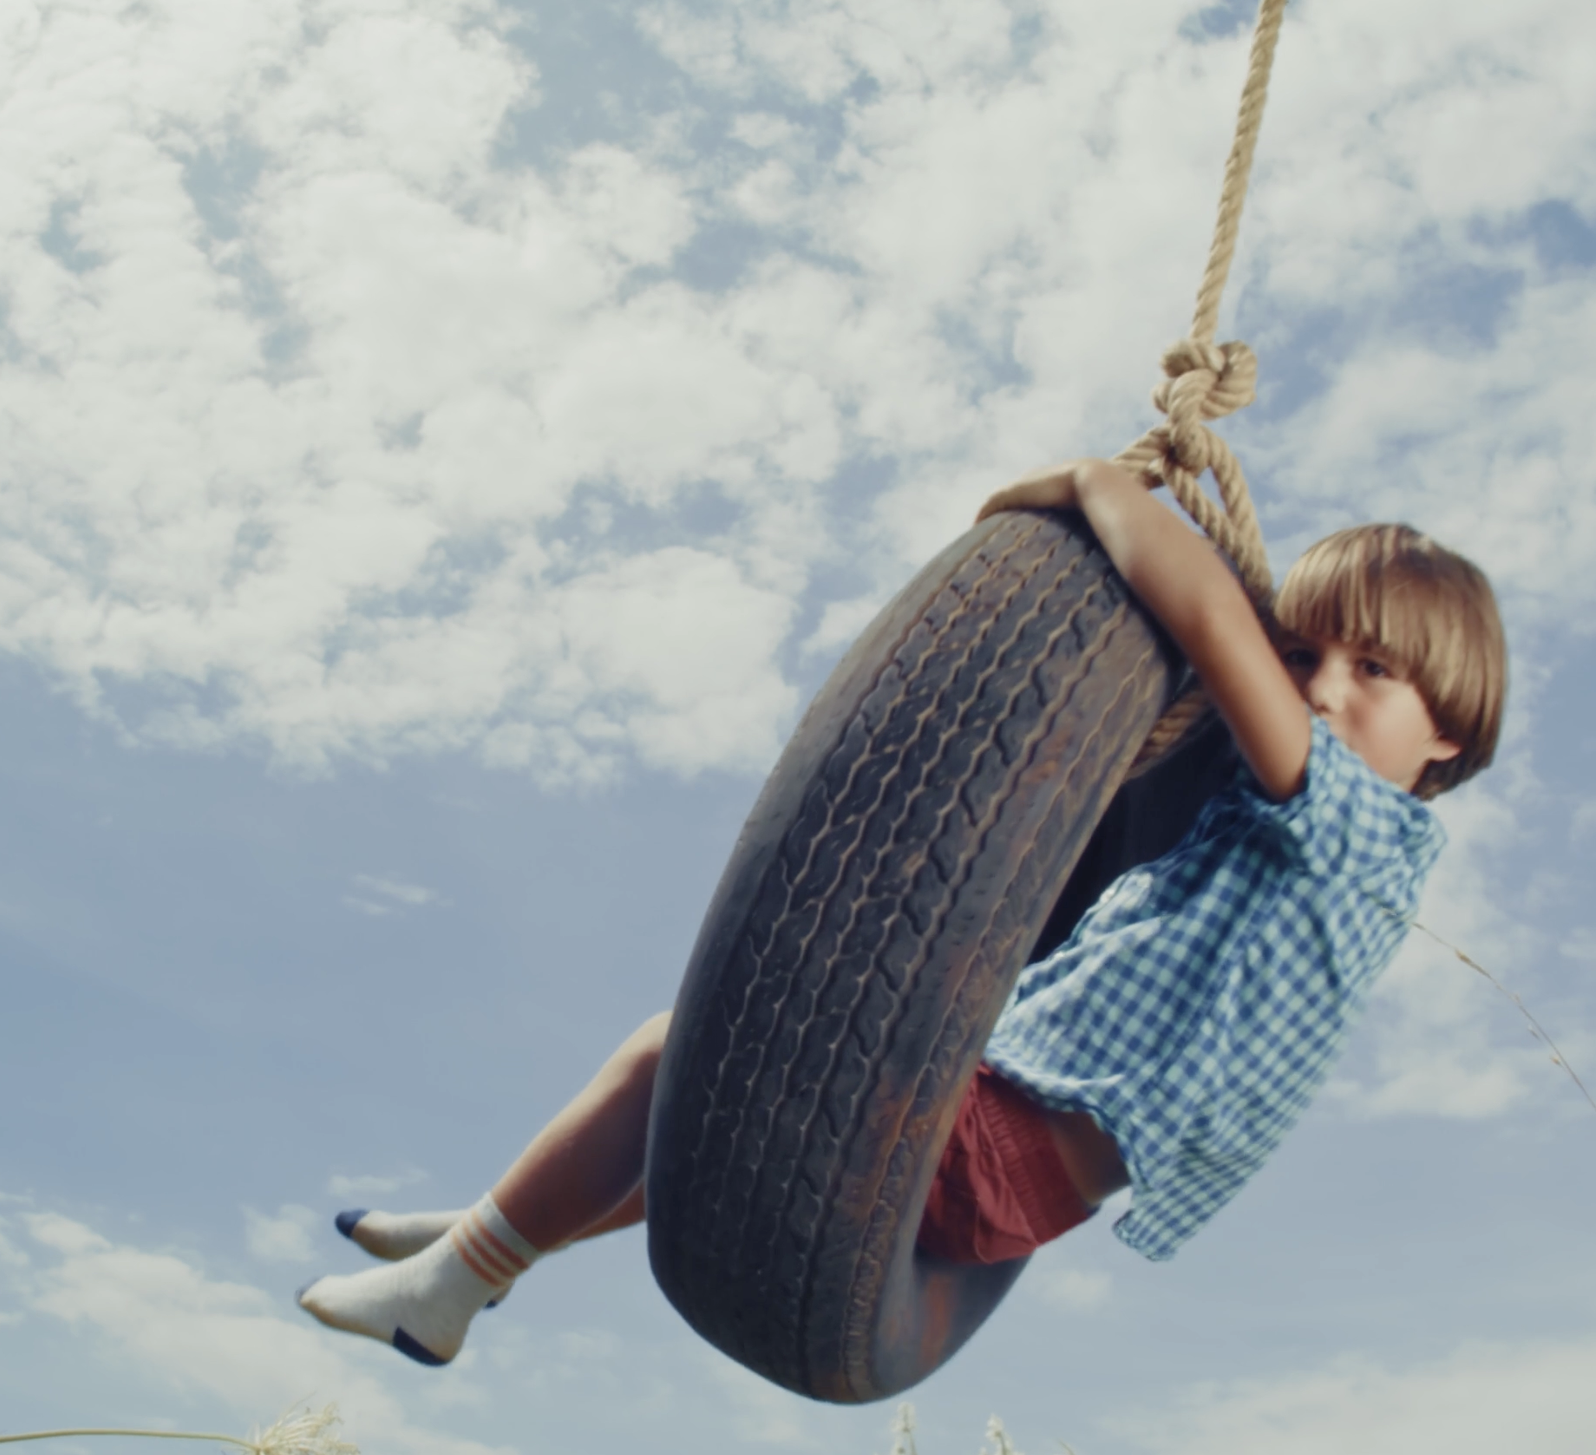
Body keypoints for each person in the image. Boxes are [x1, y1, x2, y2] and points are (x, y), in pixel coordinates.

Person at [297, 456, 1507, 1368]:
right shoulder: (1283, 840)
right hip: (1015, 1154)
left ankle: (457, 1280)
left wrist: (1090, 486)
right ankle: (495, 1232)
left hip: (1003, 1156)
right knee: (723, 1138)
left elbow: (1201, 609)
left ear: (1448, 734)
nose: (1321, 689)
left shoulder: (1357, 833)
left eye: (1372, 670)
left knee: (683, 1054)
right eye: (1304, 658)